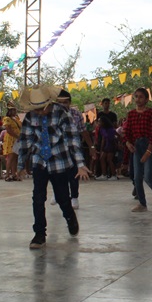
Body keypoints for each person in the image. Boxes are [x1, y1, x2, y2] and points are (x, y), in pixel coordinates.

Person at [14, 85, 91, 249]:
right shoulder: (30, 117)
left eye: (42, 108)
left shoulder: (62, 113)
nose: (39, 112)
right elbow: (25, 141)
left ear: (49, 104)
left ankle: (70, 216)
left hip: (59, 161)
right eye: (36, 109)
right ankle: (39, 234)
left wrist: (80, 164)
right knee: (38, 198)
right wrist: (20, 165)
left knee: (62, 197)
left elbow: (73, 139)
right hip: (39, 162)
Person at [56, 89, 90, 208]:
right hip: (58, 149)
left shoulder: (76, 114)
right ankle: (57, 193)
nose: (62, 105)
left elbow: (83, 131)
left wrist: (91, 146)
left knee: (74, 173)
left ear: (69, 102)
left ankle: (74, 197)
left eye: (65, 102)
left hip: (73, 148)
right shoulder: (52, 114)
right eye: (60, 102)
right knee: (59, 173)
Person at [1, 106, 23, 182]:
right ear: (9, 111)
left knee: (16, 157)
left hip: (17, 139)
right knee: (10, 157)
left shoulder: (16, 119)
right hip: (11, 139)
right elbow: (8, 130)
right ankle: (7, 175)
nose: (14, 112)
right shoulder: (7, 119)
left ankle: (14, 174)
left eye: (15, 110)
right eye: (13, 110)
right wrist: (17, 136)